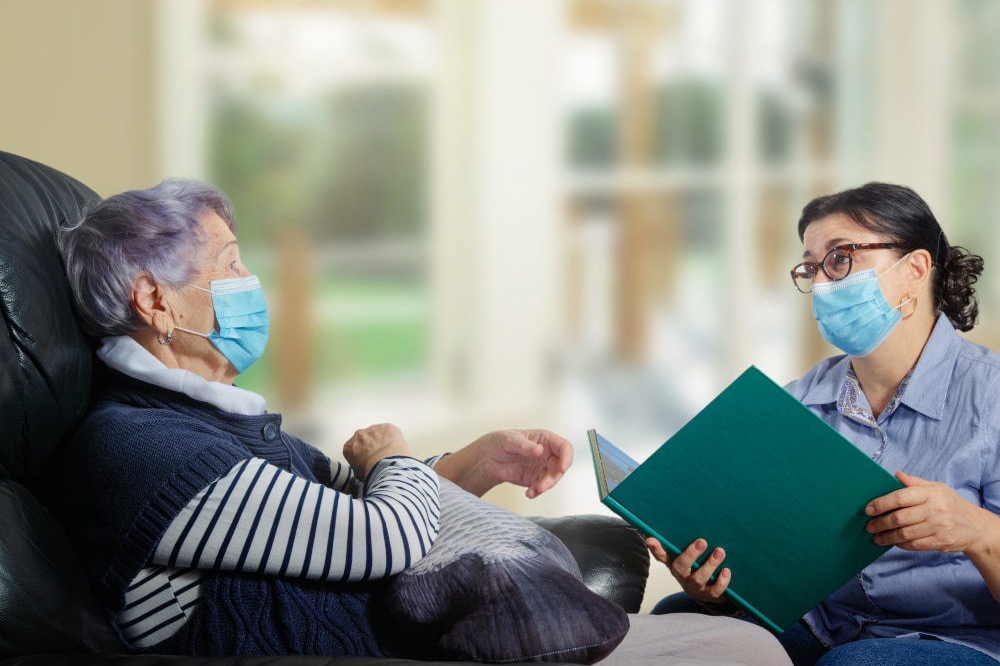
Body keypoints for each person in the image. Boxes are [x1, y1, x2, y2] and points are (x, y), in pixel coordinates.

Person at [52, 178, 791, 664]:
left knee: (745, 643)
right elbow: (382, 536)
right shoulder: (148, 451)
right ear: (156, 302)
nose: (252, 287)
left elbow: (345, 506)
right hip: (403, 654)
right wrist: (396, 452)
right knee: (750, 654)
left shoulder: (208, 427)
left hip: (433, 642)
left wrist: (476, 462)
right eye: (232, 267)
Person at [649, 182, 1000, 665]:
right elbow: (766, 553)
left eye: (841, 257)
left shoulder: (991, 397)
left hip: (958, 636)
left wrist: (978, 531)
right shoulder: (795, 403)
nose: (824, 283)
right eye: (812, 267)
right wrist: (718, 588)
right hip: (824, 623)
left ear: (914, 270)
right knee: (679, 618)